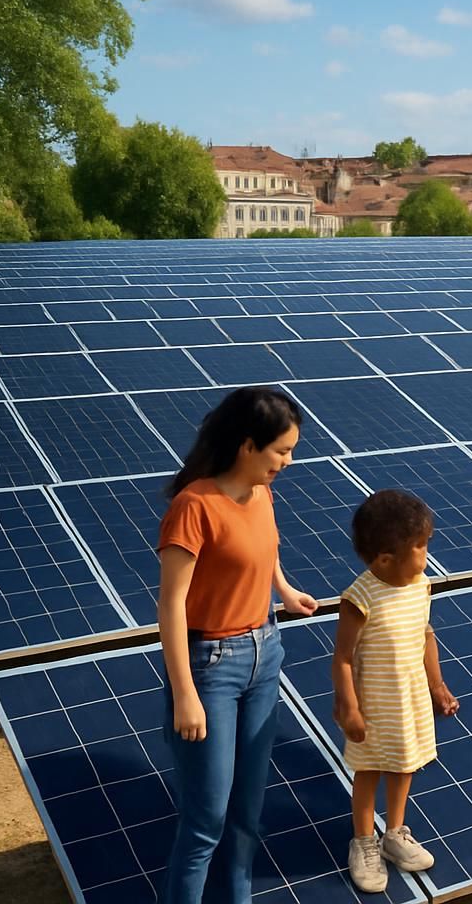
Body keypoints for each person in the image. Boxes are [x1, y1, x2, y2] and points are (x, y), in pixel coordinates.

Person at [156, 386, 320, 904]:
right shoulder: (194, 506)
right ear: (249, 446)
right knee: (207, 818)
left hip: (266, 654)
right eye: (282, 451)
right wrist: (185, 693)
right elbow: (171, 606)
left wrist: (285, 590)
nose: (288, 462)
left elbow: (262, 548)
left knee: (248, 812)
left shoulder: (261, 492)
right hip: (212, 669)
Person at [332, 489, 460, 893]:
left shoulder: (420, 585)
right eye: (420, 546)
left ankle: (395, 833)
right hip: (374, 706)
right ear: (385, 558)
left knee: (405, 765)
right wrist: (348, 706)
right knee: (369, 771)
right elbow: (343, 659)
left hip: (411, 702)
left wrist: (437, 686)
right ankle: (365, 840)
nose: (426, 553)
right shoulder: (360, 598)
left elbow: (426, 635)